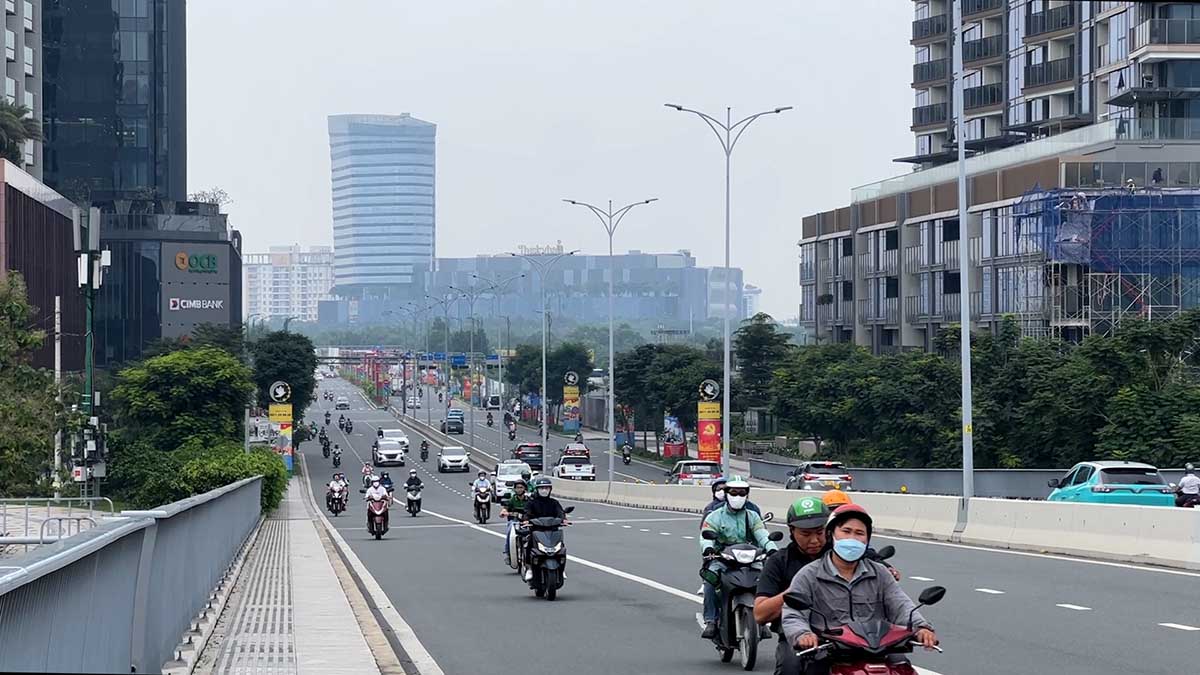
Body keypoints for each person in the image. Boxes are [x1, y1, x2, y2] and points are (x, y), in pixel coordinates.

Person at [781, 505, 937, 673]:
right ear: (831, 534)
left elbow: (900, 604)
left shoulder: (880, 573)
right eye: (846, 531)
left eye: (859, 533)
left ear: (867, 540)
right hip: (828, 650)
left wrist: (921, 628)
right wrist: (803, 634)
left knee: (904, 669)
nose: (852, 538)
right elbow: (793, 614)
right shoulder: (809, 574)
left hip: (878, 650)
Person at [754, 497, 830, 675]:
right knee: (791, 666)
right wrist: (797, 590)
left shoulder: (841, 556)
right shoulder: (778, 562)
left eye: (820, 532)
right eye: (805, 534)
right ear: (792, 531)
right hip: (796, 636)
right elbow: (760, 613)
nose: (814, 540)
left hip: (844, 633)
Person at [698, 476, 777, 639]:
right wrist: (708, 548)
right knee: (710, 582)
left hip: (749, 558)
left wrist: (772, 549)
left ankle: (763, 621)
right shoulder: (715, 516)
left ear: (747, 495)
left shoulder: (753, 516)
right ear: (726, 493)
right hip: (722, 558)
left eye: (742, 493)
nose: (738, 496)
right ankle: (711, 621)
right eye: (734, 492)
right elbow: (705, 536)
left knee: (766, 580)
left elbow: (762, 535)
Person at [521, 476, 568, 581]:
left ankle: (561, 569)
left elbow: (560, 512)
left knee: (561, 547)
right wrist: (526, 520)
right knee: (528, 545)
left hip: (553, 530)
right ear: (537, 489)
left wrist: (563, 519)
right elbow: (526, 513)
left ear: (550, 489)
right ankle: (529, 568)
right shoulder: (532, 503)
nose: (544, 490)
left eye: (546, 488)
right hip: (536, 530)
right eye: (542, 488)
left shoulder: (554, 502)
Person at [500, 479, 530, 563]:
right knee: (510, 531)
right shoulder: (512, 500)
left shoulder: (529, 500)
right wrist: (504, 513)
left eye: (521, 487)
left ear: (525, 489)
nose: (519, 489)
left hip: (527, 522)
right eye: (517, 488)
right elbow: (504, 509)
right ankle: (508, 553)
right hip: (515, 521)